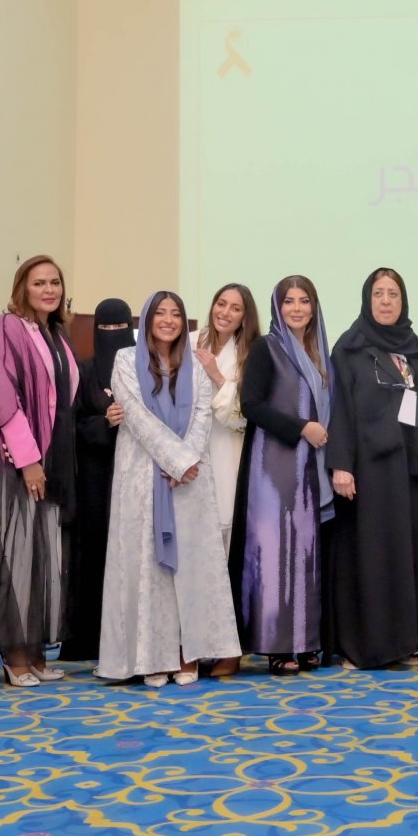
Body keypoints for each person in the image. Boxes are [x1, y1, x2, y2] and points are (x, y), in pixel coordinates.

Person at [97, 292, 242, 685]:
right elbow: (136, 416)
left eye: (176, 314)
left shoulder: (195, 363)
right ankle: (150, 656)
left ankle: (186, 653)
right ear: (146, 319)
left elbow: (202, 415)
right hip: (142, 476)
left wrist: (187, 462)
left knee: (190, 567)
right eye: (160, 313)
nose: (168, 320)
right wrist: (177, 460)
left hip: (190, 480)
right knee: (146, 567)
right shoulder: (126, 359)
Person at [326, 267, 418, 669]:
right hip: (366, 472)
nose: (386, 301)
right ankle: (363, 648)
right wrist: (341, 465)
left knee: (403, 557)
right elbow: (339, 408)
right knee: (368, 557)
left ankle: (402, 645)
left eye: (393, 294)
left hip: (407, 471)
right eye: (378, 294)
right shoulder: (349, 348)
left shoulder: (414, 348)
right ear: (366, 300)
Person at [0, 255, 78, 687]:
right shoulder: (9, 326)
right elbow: (4, 399)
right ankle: (13, 656)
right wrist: (28, 460)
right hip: (16, 462)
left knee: (38, 558)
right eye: (39, 283)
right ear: (23, 288)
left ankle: (34, 654)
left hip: (50, 459)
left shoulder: (55, 333)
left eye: (55, 282)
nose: (49, 290)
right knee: (13, 557)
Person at [230, 275, 334, 675]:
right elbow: (251, 404)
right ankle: (276, 644)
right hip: (273, 465)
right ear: (277, 307)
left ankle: (304, 641)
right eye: (288, 301)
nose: (296, 308)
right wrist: (301, 427)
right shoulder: (266, 347)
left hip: (310, 467)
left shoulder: (320, 352)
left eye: (304, 301)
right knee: (275, 553)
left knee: (305, 552)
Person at [195, 284, 259, 677]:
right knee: (193, 557)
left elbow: (244, 418)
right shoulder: (191, 341)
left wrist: (217, 376)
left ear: (244, 316)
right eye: (221, 303)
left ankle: (227, 649)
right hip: (188, 459)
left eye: (235, 308)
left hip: (227, 459)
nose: (225, 312)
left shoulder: (250, 354)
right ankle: (193, 646)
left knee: (223, 555)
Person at [66, 297, 134, 662]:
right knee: (95, 549)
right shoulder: (85, 371)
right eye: (105, 328)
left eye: (119, 328)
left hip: (137, 471)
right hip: (95, 475)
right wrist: (104, 422)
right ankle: (90, 637)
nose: (112, 335)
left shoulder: (145, 369)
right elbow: (71, 424)